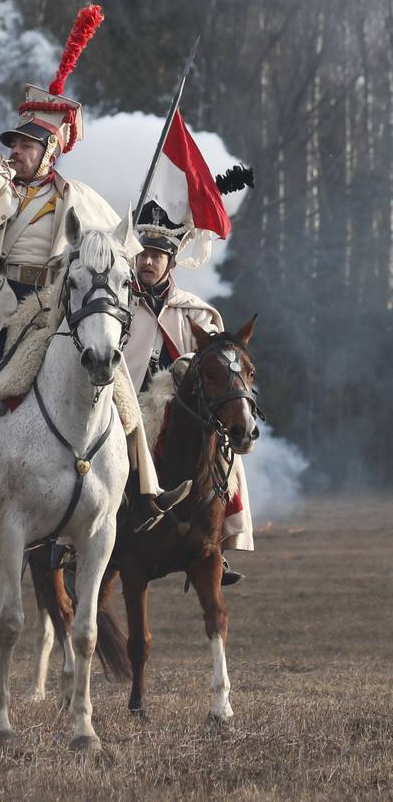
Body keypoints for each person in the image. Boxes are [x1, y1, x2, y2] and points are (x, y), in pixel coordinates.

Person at [0, 5, 170, 517]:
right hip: (1, 306)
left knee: (118, 389)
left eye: (25, 144)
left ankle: (139, 489)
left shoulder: (79, 196)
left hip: (57, 307)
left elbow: (114, 251)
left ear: (50, 151)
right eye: (15, 142)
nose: (16, 150)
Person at [123, 202, 254, 580]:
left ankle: (217, 543)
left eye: (156, 256)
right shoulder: (117, 303)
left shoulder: (196, 312)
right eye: (142, 254)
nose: (147, 262)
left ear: (171, 263)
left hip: (182, 404)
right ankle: (75, 539)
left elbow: (214, 362)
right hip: (126, 400)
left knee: (227, 455)